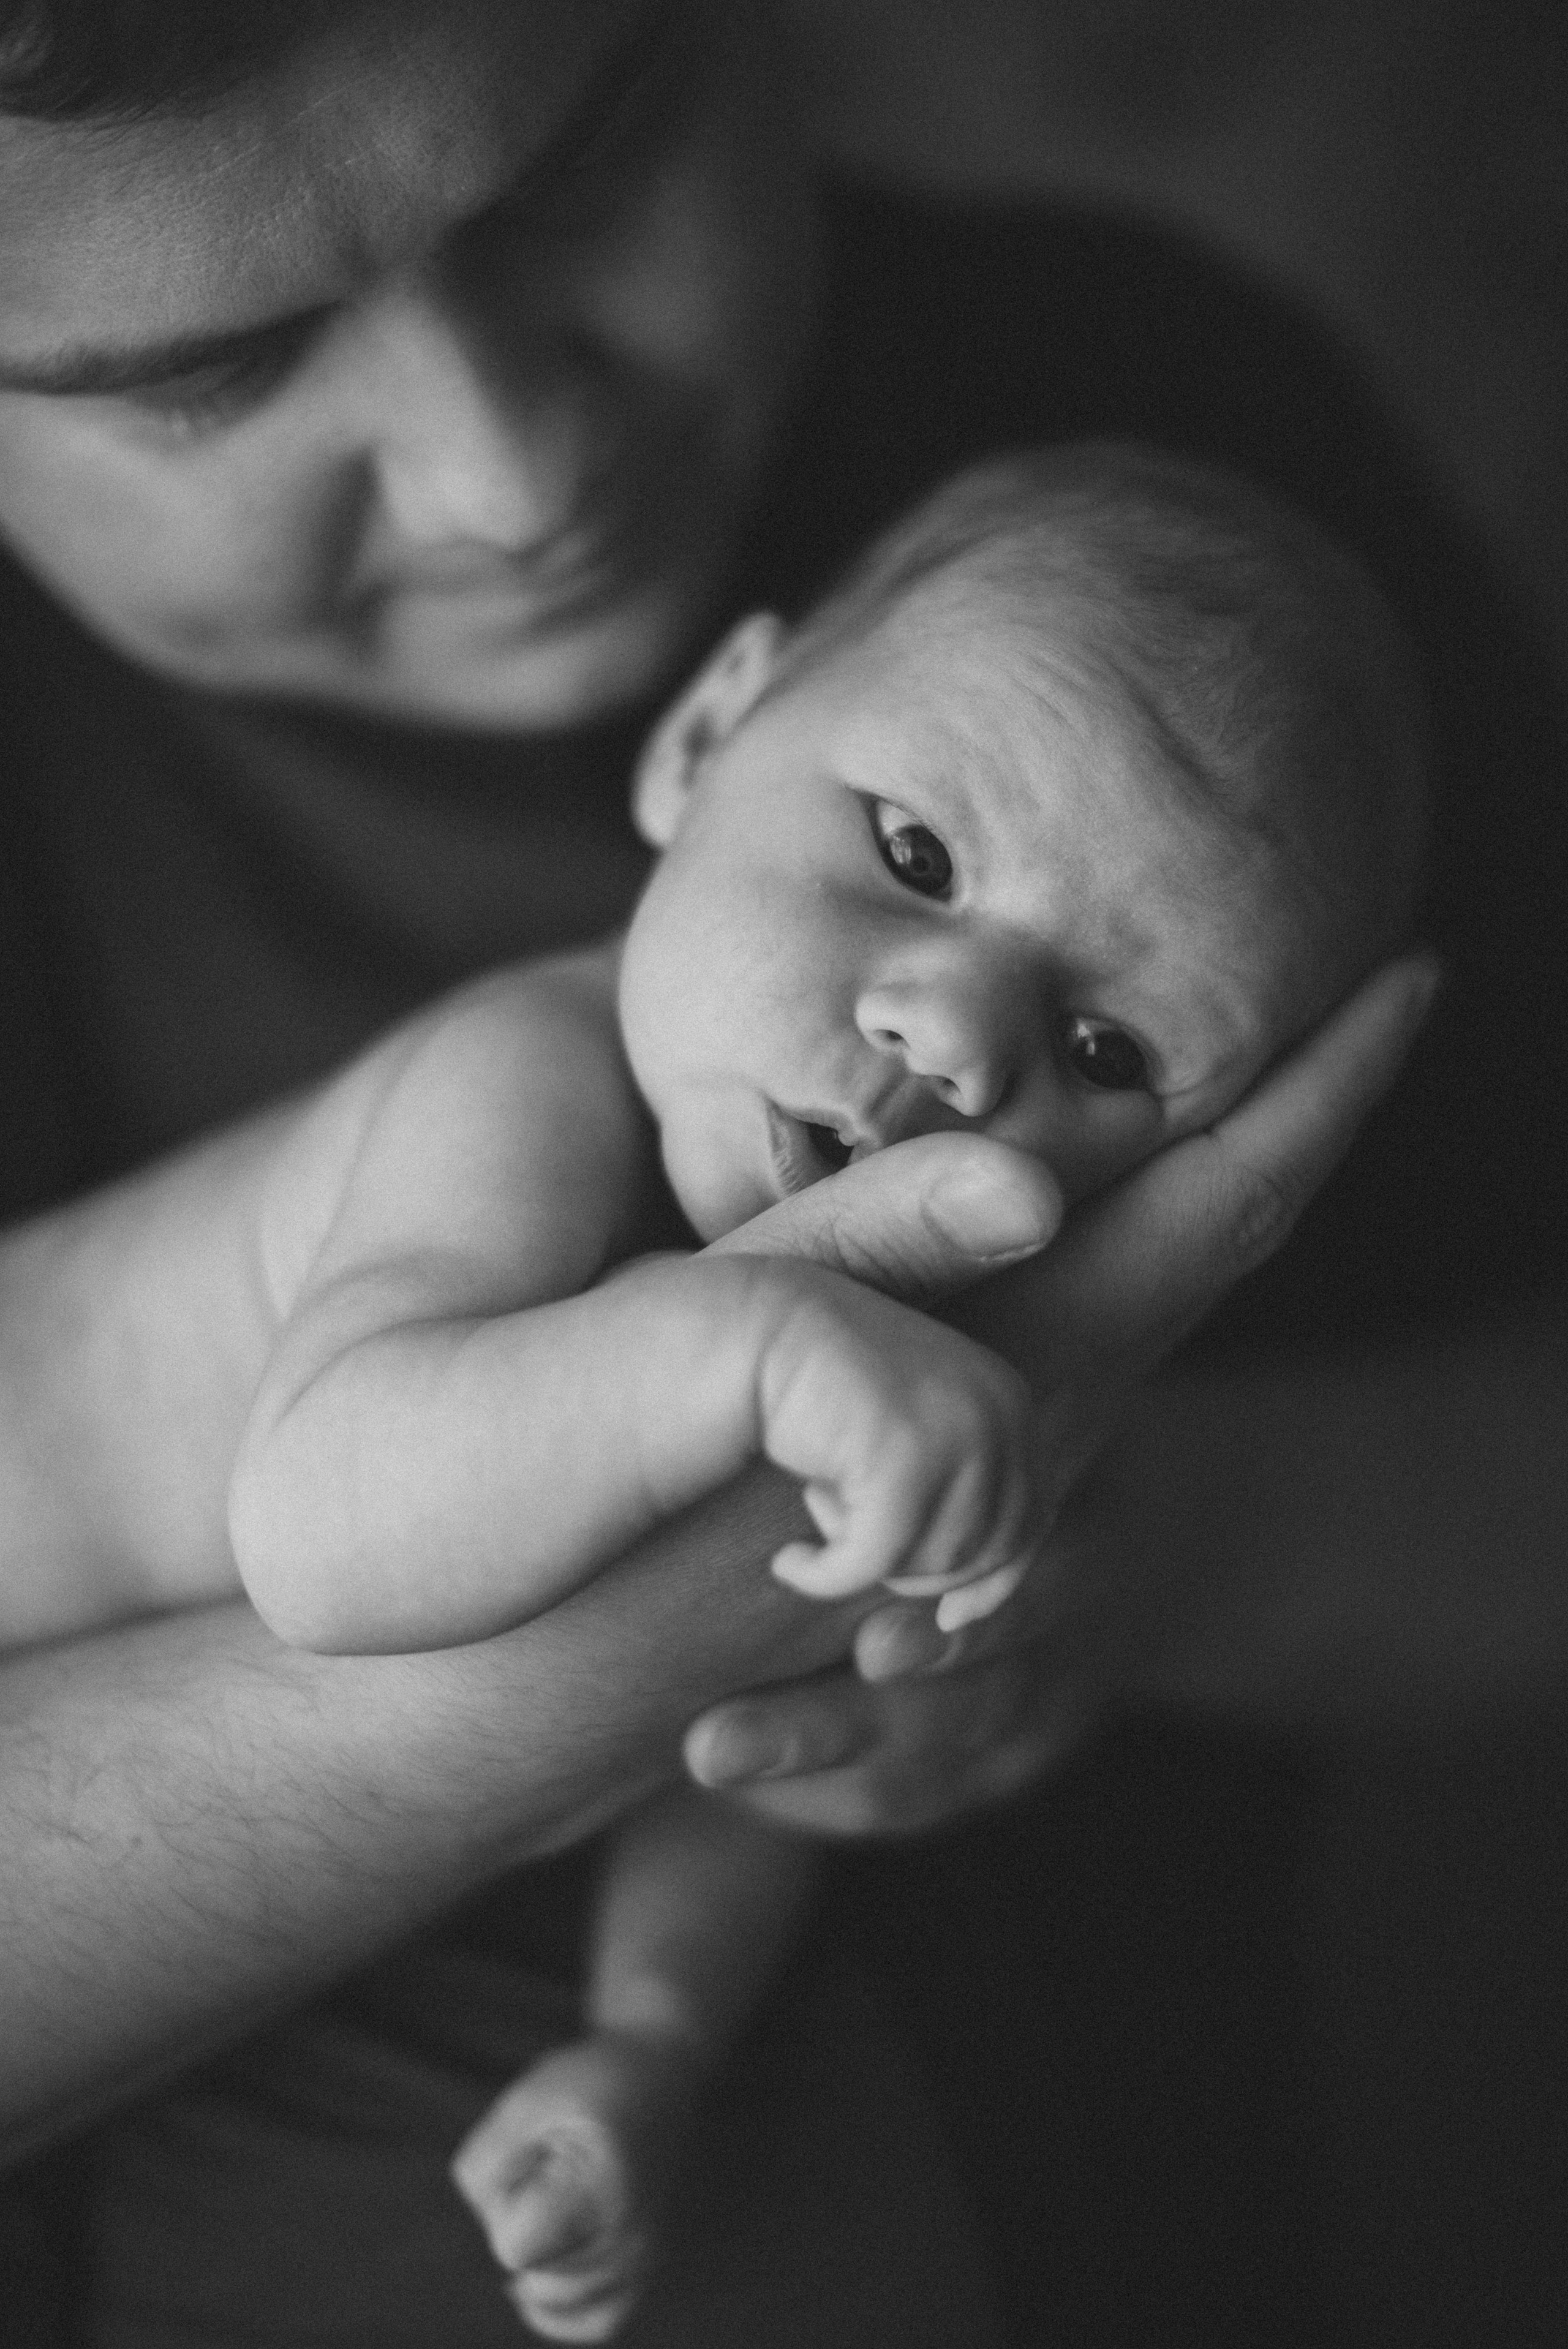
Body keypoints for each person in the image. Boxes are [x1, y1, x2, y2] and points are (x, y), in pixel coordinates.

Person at [0, 1, 1558, 2342]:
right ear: (713, 730)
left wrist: (1129, 1554)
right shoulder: (520, 1081)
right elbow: (336, 1525)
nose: (515, 472)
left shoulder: (1186, 522)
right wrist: (754, 1396)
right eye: (209, 372)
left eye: (587, 158)